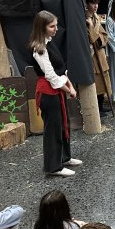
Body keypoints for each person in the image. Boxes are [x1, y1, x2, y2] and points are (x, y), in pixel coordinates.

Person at [30, 10, 82, 177]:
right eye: (52, 26)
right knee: (53, 128)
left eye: (56, 25)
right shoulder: (39, 49)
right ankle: (53, 167)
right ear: (42, 27)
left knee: (63, 124)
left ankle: (64, 157)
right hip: (48, 93)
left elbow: (60, 70)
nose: (56, 28)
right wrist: (69, 90)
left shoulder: (50, 43)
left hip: (58, 90)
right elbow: (51, 76)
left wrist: (70, 86)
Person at [85, 0, 112, 117]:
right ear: (87, 4)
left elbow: (104, 35)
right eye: (93, 3)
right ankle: (97, 109)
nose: (96, 6)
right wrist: (90, 27)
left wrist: (99, 38)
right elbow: (91, 39)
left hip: (100, 53)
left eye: (97, 3)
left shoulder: (96, 17)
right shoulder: (85, 19)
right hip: (92, 56)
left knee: (104, 79)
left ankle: (101, 106)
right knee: (97, 81)